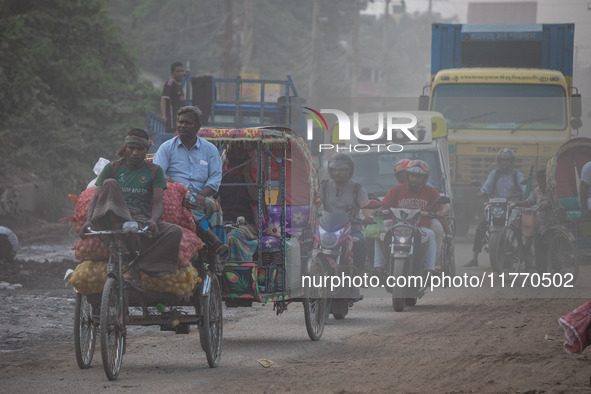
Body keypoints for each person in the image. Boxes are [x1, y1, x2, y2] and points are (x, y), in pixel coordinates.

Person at [81, 128, 183, 292]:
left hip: (139, 221)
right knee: (110, 184)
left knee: (175, 232)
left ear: (146, 151)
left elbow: (157, 203)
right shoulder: (112, 168)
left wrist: (152, 221)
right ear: (125, 148)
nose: (135, 153)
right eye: (131, 148)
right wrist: (87, 221)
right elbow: (95, 198)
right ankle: (119, 240)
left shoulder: (155, 171)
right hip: (111, 220)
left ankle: (135, 269)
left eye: (140, 149)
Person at [153, 106, 228, 259]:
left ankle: (216, 255)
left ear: (197, 126)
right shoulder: (166, 148)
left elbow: (215, 179)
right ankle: (215, 241)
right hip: (174, 196)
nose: (182, 126)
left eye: (187, 123)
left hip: (201, 196)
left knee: (213, 206)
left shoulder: (210, 150)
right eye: (180, 122)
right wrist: (169, 182)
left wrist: (201, 195)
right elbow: (158, 173)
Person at [375, 160, 443, 276]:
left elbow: (442, 207)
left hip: (420, 230)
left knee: (431, 234)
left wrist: (442, 212)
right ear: (407, 175)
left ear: (424, 178)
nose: (415, 179)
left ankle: (429, 270)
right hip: (397, 229)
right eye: (412, 176)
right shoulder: (397, 190)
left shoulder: (430, 191)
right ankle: (378, 268)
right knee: (380, 233)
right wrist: (377, 210)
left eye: (419, 177)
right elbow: (383, 206)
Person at [465, 148, 525, 267]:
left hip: (512, 207)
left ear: (512, 162)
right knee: (481, 228)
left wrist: (524, 194)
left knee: (521, 230)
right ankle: (474, 258)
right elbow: (486, 188)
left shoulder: (517, 175)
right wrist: (479, 194)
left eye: (507, 160)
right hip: (496, 206)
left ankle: (525, 258)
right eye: (502, 160)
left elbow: (524, 188)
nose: (504, 163)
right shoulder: (494, 174)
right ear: (499, 161)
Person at [319, 153, 372, 275]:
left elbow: (365, 206)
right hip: (328, 228)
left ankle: (359, 274)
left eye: (342, 170)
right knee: (311, 244)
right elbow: (315, 203)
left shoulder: (358, 188)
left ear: (350, 171)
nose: (337, 173)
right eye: (334, 170)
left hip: (351, 228)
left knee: (361, 244)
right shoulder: (324, 186)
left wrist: (368, 216)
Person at [218, 147, 258, 262]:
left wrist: (246, 175)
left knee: (233, 237)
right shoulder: (223, 178)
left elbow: (256, 198)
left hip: (247, 225)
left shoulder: (253, 178)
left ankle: (240, 272)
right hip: (225, 223)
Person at [512, 168, 554, 270]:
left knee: (550, 251)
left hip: (550, 226)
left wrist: (547, 205)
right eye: (539, 179)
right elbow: (529, 202)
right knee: (539, 251)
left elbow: (556, 204)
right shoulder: (536, 191)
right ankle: (540, 275)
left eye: (543, 179)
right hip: (538, 227)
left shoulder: (552, 191)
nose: (541, 182)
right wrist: (516, 204)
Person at [161, 61, 187, 134]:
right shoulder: (170, 83)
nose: (180, 73)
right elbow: (164, 99)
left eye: (182, 71)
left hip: (180, 118)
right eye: (178, 71)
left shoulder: (179, 85)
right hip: (172, 120)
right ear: (172, 73)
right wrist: (164, 115)